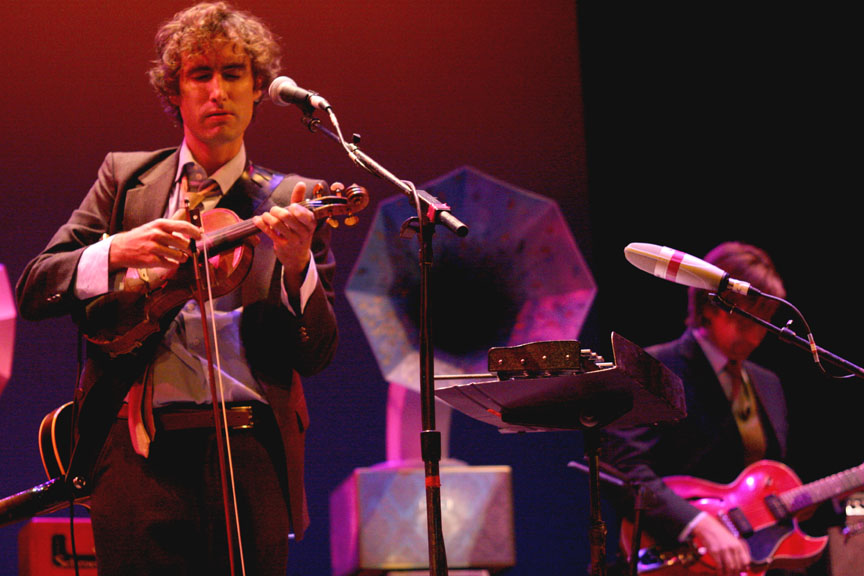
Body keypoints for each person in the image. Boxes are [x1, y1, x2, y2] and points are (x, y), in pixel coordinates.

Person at [15, 3, 338, 575]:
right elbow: (38, 285)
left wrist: (295, 268)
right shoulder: (125, 179)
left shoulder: (293, 199)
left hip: (249, 453)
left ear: (258, 88)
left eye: (234, 74)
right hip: (138, 457)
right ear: (176, 91)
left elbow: (315, 355)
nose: (219, 92)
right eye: (201, 75)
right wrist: (118, 248)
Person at [601, 241, 790, 576]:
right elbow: (625, 470)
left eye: (763, 322)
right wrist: (697, 523)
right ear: (708, 306)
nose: (753, 336)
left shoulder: (768, 383)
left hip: (750, 560)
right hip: (675, 556)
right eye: (743, 321)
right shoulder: (653, 367)